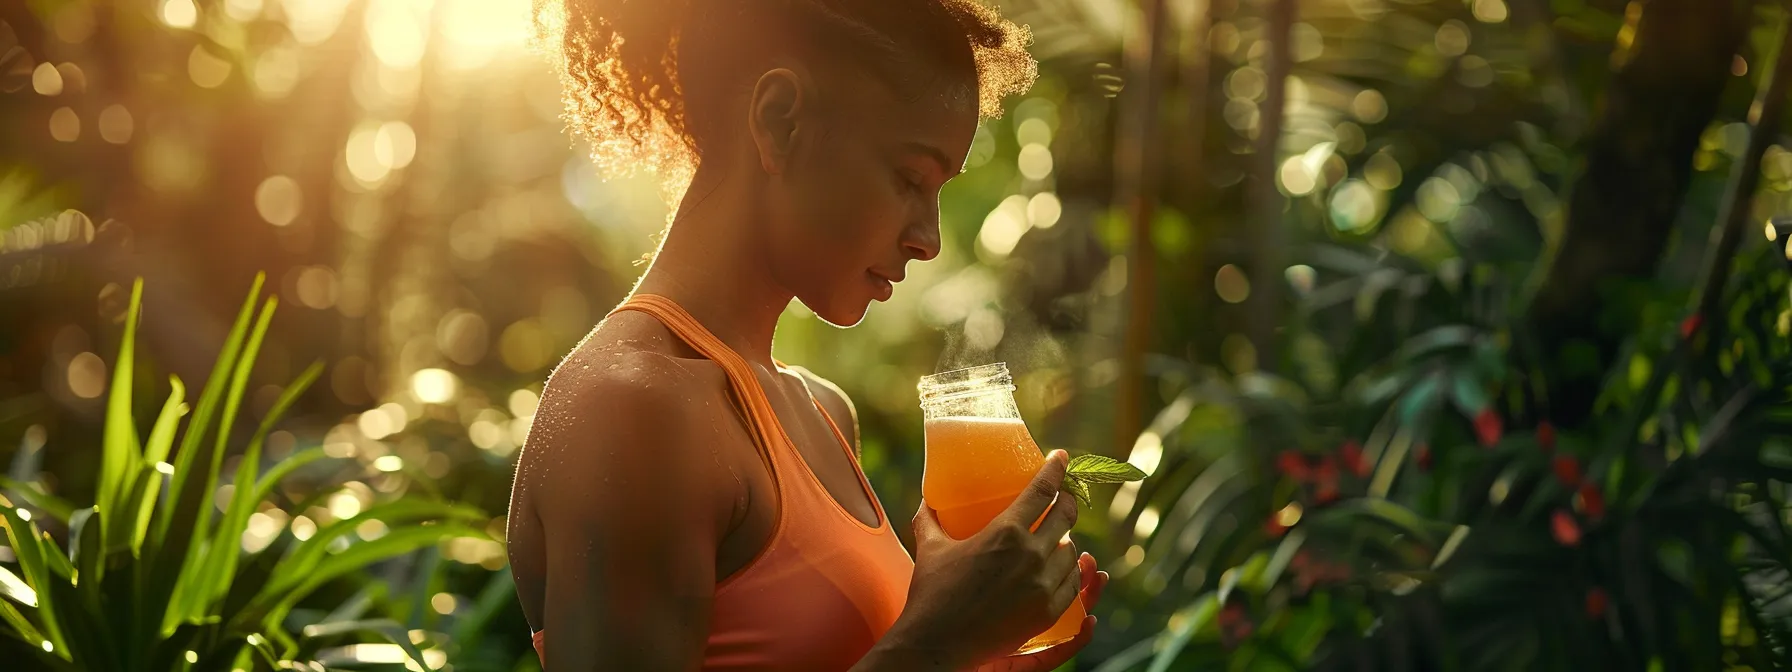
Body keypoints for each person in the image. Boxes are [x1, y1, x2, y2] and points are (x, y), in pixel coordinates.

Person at [506, 1, 1107, 669]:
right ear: (779, 121)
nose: (929, 240)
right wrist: (935, 644)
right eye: (910, 178)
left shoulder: (823, 412)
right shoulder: (633, 408)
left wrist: (975, 647)